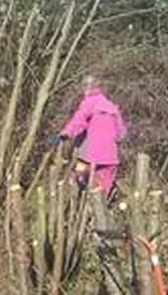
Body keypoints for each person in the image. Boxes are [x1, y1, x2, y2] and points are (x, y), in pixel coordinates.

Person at [48, 75, 127, 203]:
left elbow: (78, 122)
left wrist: (65, 134)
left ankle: (82, 208)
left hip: (90, 156)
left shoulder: (89, 102)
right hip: (110, 157)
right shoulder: (112, 107)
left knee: (79, 178)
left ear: (86, 88)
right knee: (103, 191)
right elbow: (121, 134)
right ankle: (106, 211)